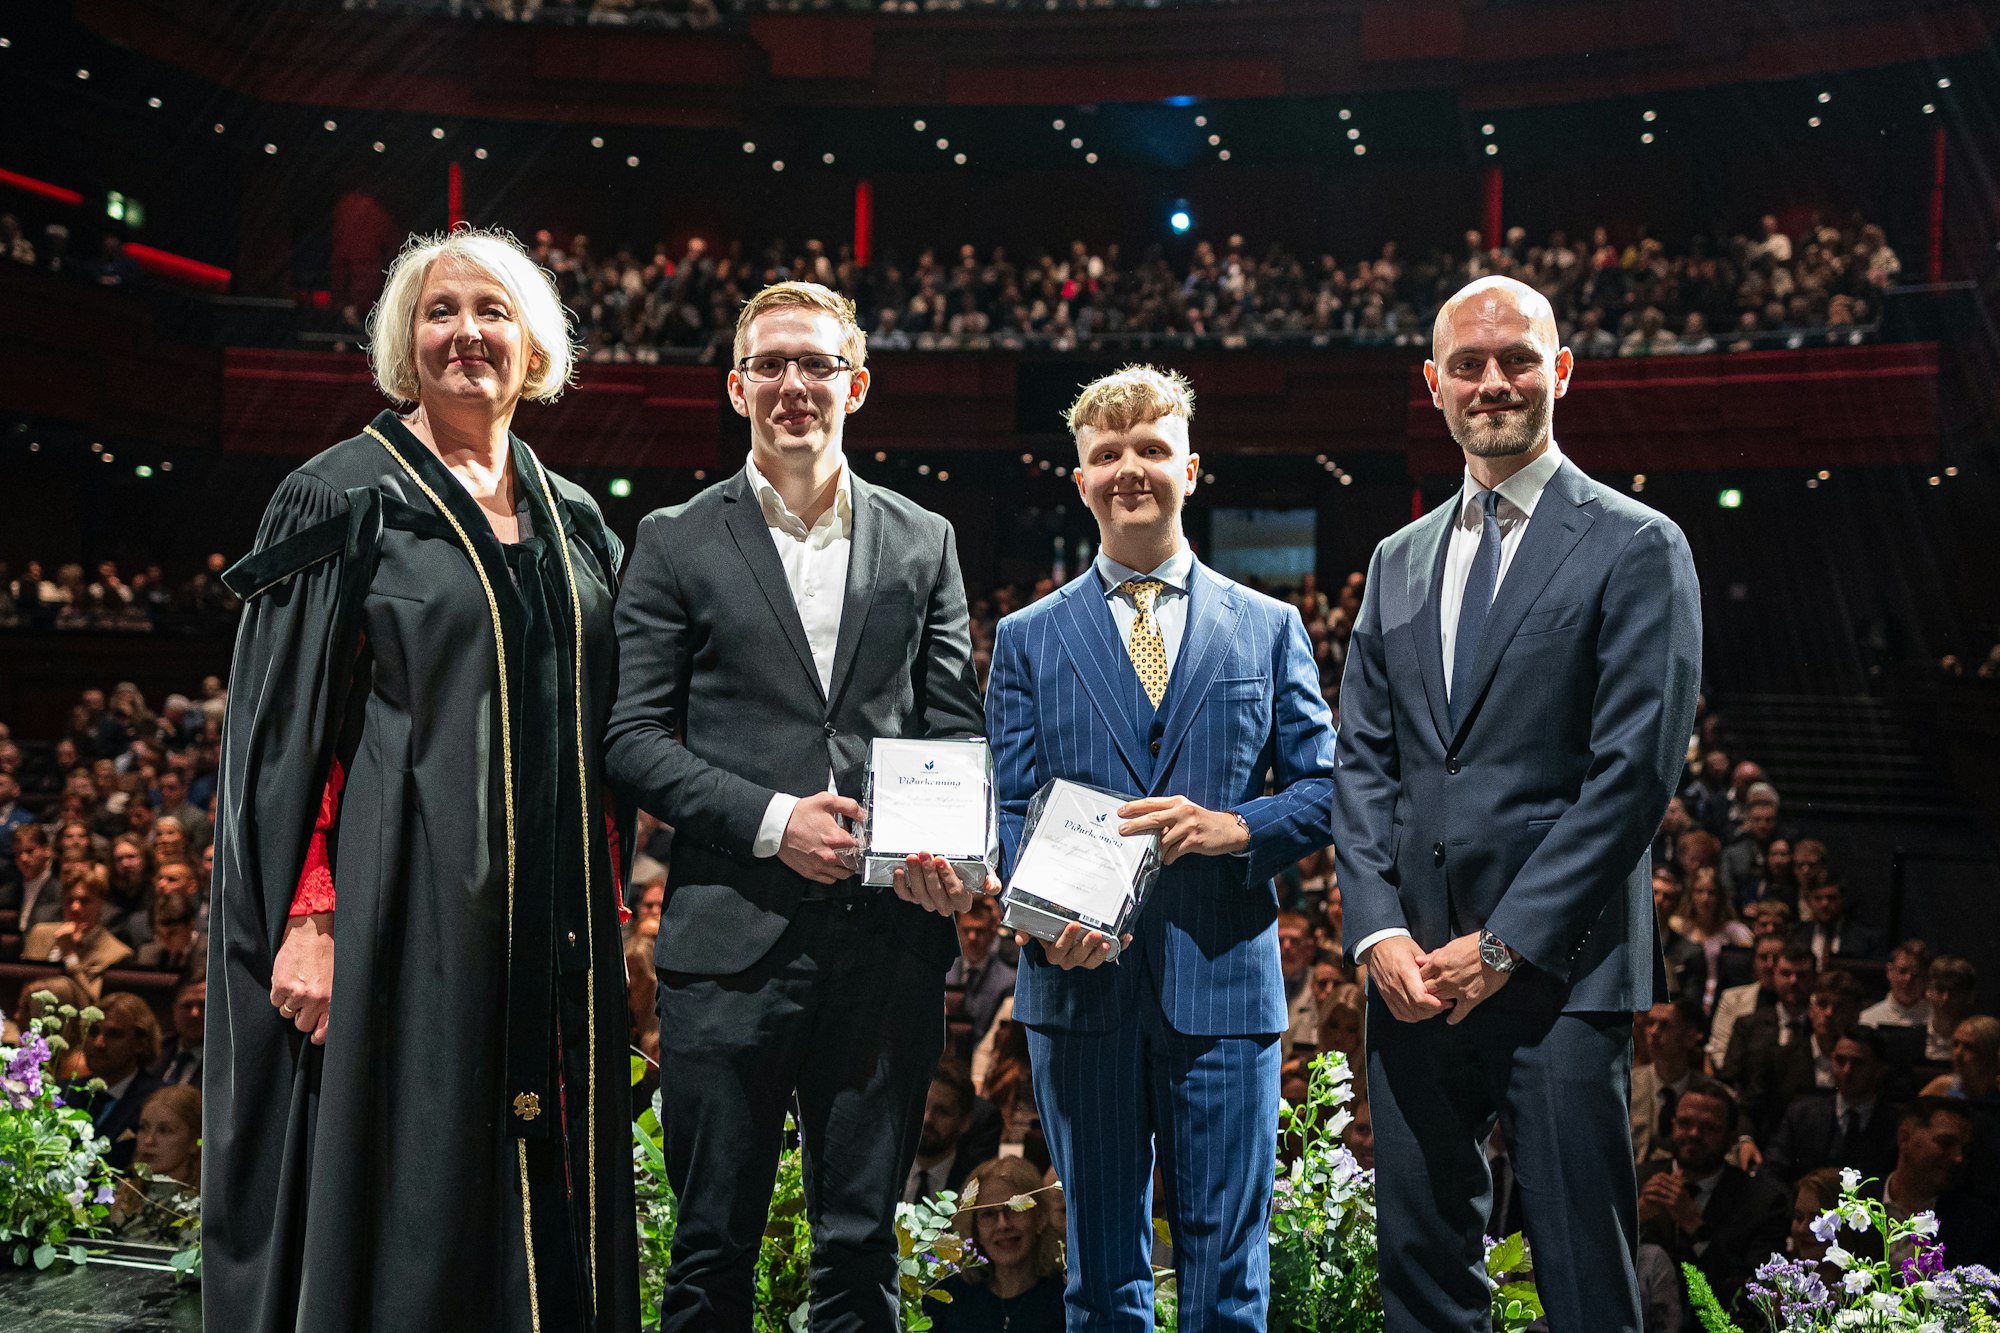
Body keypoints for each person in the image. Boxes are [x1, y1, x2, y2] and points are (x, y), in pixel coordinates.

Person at [204, 227, 638, 1333]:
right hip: (398, 905)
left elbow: (602, 731)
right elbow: (282, 740)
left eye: (492, 311)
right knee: (412, 1170)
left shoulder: (576, 516)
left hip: (549, 917)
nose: (466, 334)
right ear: (405, 340)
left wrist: (616, 905)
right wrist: (309, 915)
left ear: (534, 344)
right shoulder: (340, 495)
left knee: (543, 1178)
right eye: (440, 311)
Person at [606, 279, 984, 1332]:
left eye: (816, 363)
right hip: (729, 942)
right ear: (736, 387)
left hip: (888, 943)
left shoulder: (924, 538)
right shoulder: (673, 538)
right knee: (709, 1247)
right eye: (769, 364)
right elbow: (631, 740)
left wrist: (952, 856)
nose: (793, 384)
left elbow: (954, 731)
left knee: (861, 1246)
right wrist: (777, 823)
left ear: (854, 385)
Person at [1332, 275, 1702, 1333]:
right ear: (1434, 385)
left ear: (1561, 371)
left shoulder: (1636, 542)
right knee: (1419, 1275)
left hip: (1559, 972)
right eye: (1468, 364)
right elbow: (1362, 763)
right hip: (1412, 977)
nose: (1491, 381)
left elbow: (1632, 773)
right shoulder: (1395, 560)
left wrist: (1504, 944)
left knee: (1585, 1278)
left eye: (1516, 359)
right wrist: (1378, 932)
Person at [985, 364, 1337, 1331]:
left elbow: (1327, 787)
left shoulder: (1269, 627)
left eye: (1151, 449)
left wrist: (1237, 826)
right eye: (1107, 454)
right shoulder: (1025, 637)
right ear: (1081, 480)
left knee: (1231, 1276)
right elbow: (1010, 805)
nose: (1129, 469)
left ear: (1191, 467)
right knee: (1101, 1276)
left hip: (1224, 980)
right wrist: (1042, 919)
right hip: (1076, 984)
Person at [1635, 1079, 1790, 1311]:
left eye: (1709, 1128)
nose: (1694, 1134)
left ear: (1731, 1138)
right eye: (1685, 1123)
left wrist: (1696, 1228)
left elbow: (1753, 1294)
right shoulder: (1637, 1180)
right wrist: (1636, 1219)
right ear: (1672, 1125)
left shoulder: (1763, 1202)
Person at [928, 1155, 1067, 1332]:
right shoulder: (949, 1294)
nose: (1003, 1225)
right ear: (974, 1229)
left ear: (1040, 1219)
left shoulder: (1065, 1298)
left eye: (1014, 1209)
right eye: (988, 1214)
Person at [1760, 1025, 1898, 1185]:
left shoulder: (1897, 1124)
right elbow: (1771, 1172)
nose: (1846, 1070)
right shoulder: (1801, 1115)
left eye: (1858, 1063)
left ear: (1880, 1069)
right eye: (1840, 1060)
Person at [68, 991, 166, 1172]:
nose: (99, 1043)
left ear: (141, 1043)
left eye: (114, 1034)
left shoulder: (159, 1101)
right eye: (93, 1032)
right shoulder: (66, 1092)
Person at [109, 1084, 202, 1244]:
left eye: (165, 1130)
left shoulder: (203, 1208)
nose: (149, 1140)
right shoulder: (121, 1194)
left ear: (194, 1140)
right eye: (143, 1128)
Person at [904, 1056, 1002, 1204]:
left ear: (965, 1123)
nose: (927, 1119)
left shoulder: (978, 1184)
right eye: (922, 1106)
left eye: (942, 1112)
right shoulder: (884, 1170)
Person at [24, 872, 133, 1003]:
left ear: (101, 904)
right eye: (69, 901)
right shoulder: (39, 934)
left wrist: (69, 954)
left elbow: (92, 1006)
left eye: (84, 901)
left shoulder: (115, 954)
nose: (75, 907)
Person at [1860, 940, 1932, 1029]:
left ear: (1926, 977)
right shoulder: (1868, 1021)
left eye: (1915, 973)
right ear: (1890, 971)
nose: (1908, 979)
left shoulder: (1937, 1021)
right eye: (1902, 971)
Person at [152, 978, 206, 1087]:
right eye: (187, 1006)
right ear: (174, 1009)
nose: (194, 1014)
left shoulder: (228, 1061)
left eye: (204, 1005)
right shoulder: (156, 1050)